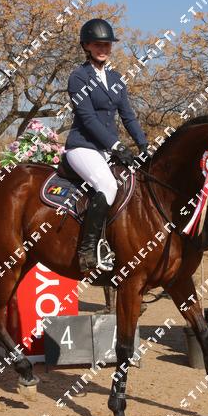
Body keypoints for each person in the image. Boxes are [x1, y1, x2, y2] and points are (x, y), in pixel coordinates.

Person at [65, 18, 149, 272]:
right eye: (98, 44)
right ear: (86, 46)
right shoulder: (78, 77)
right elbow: (88, 118)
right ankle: (88, 250)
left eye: (107, 44)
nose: (103, 48)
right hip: (83, 147)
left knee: (134, 187)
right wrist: (117, 145)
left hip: (107, 150)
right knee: (108, 185)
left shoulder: (116, 78)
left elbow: (128, 116)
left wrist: (143, 145)